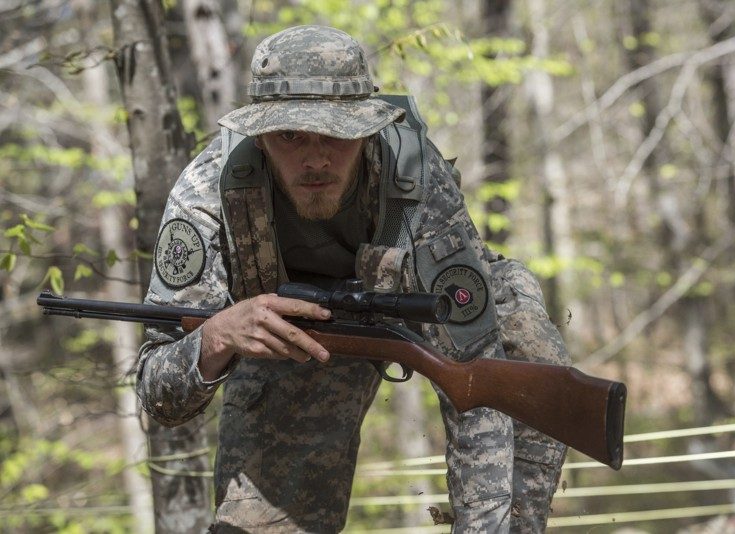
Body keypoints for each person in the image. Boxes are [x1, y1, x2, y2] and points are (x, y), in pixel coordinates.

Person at [137, 25, 571, 533]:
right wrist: (215, 338)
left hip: (427, 308)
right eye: (290, 137)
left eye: (336, 136)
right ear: (258, 135)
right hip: (297, 342)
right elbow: (157, 393)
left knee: (524, 347)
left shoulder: (416, 179)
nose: (316, 158)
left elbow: (476, 371)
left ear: (366, 131)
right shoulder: (205, 191)